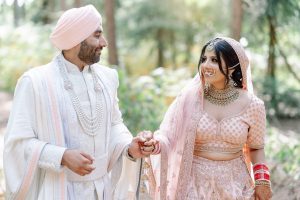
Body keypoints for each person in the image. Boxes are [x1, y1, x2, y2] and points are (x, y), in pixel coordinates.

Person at [3, 5, 157, 200]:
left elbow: (114, 125)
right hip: (57, 192)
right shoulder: (36, 82)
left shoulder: (108, 78)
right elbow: (17, 144)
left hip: (102, 191)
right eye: (97, 35)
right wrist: (61, 156)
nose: (104, 42)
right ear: (77, 39)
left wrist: (129, 147)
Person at [144, 37, 272, 200]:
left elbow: (256, 147)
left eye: (214, 60)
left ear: (233, 67)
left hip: (235, 186)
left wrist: (263, 181)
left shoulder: (253, 105)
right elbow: (169, 135)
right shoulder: (190, 99)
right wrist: (154, 144)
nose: (206, 66)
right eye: (204, 59)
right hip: (194, 185)